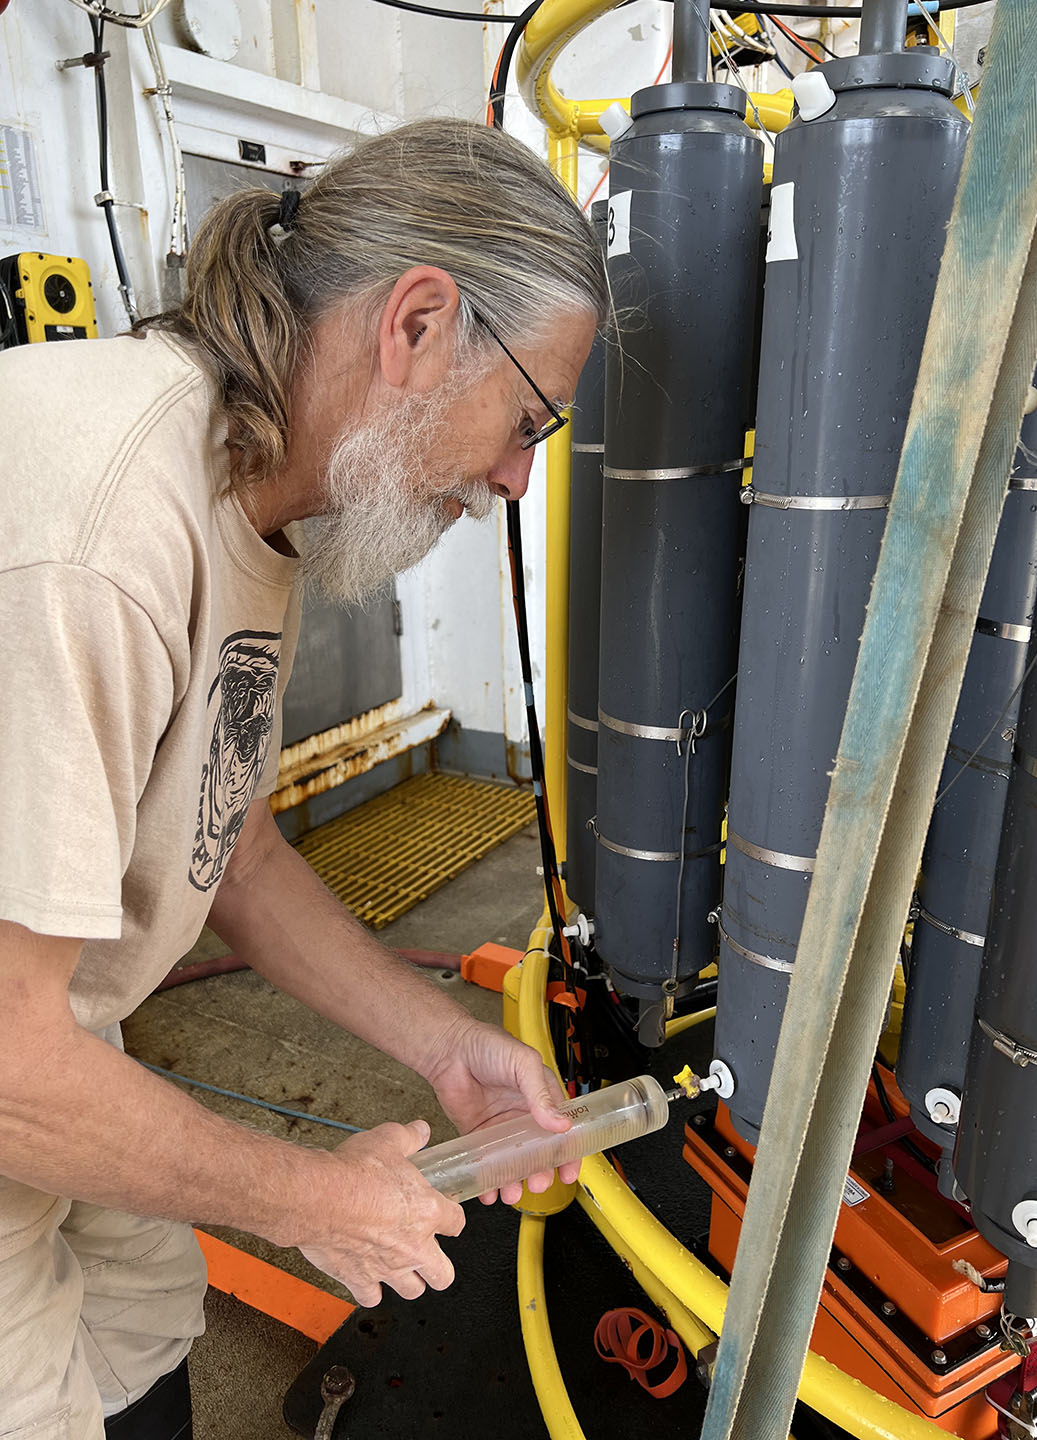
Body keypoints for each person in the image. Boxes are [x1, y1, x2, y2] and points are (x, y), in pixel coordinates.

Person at [0, 117, 606, 1438]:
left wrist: (441, 1042)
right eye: (527, 420)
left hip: (56, 1031)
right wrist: (307, 1198)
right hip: (15, 1065)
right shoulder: (97, 538)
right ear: (418, 324)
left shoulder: (254, 496)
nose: (514, 478)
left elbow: (235, 846)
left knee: (143, 1338)